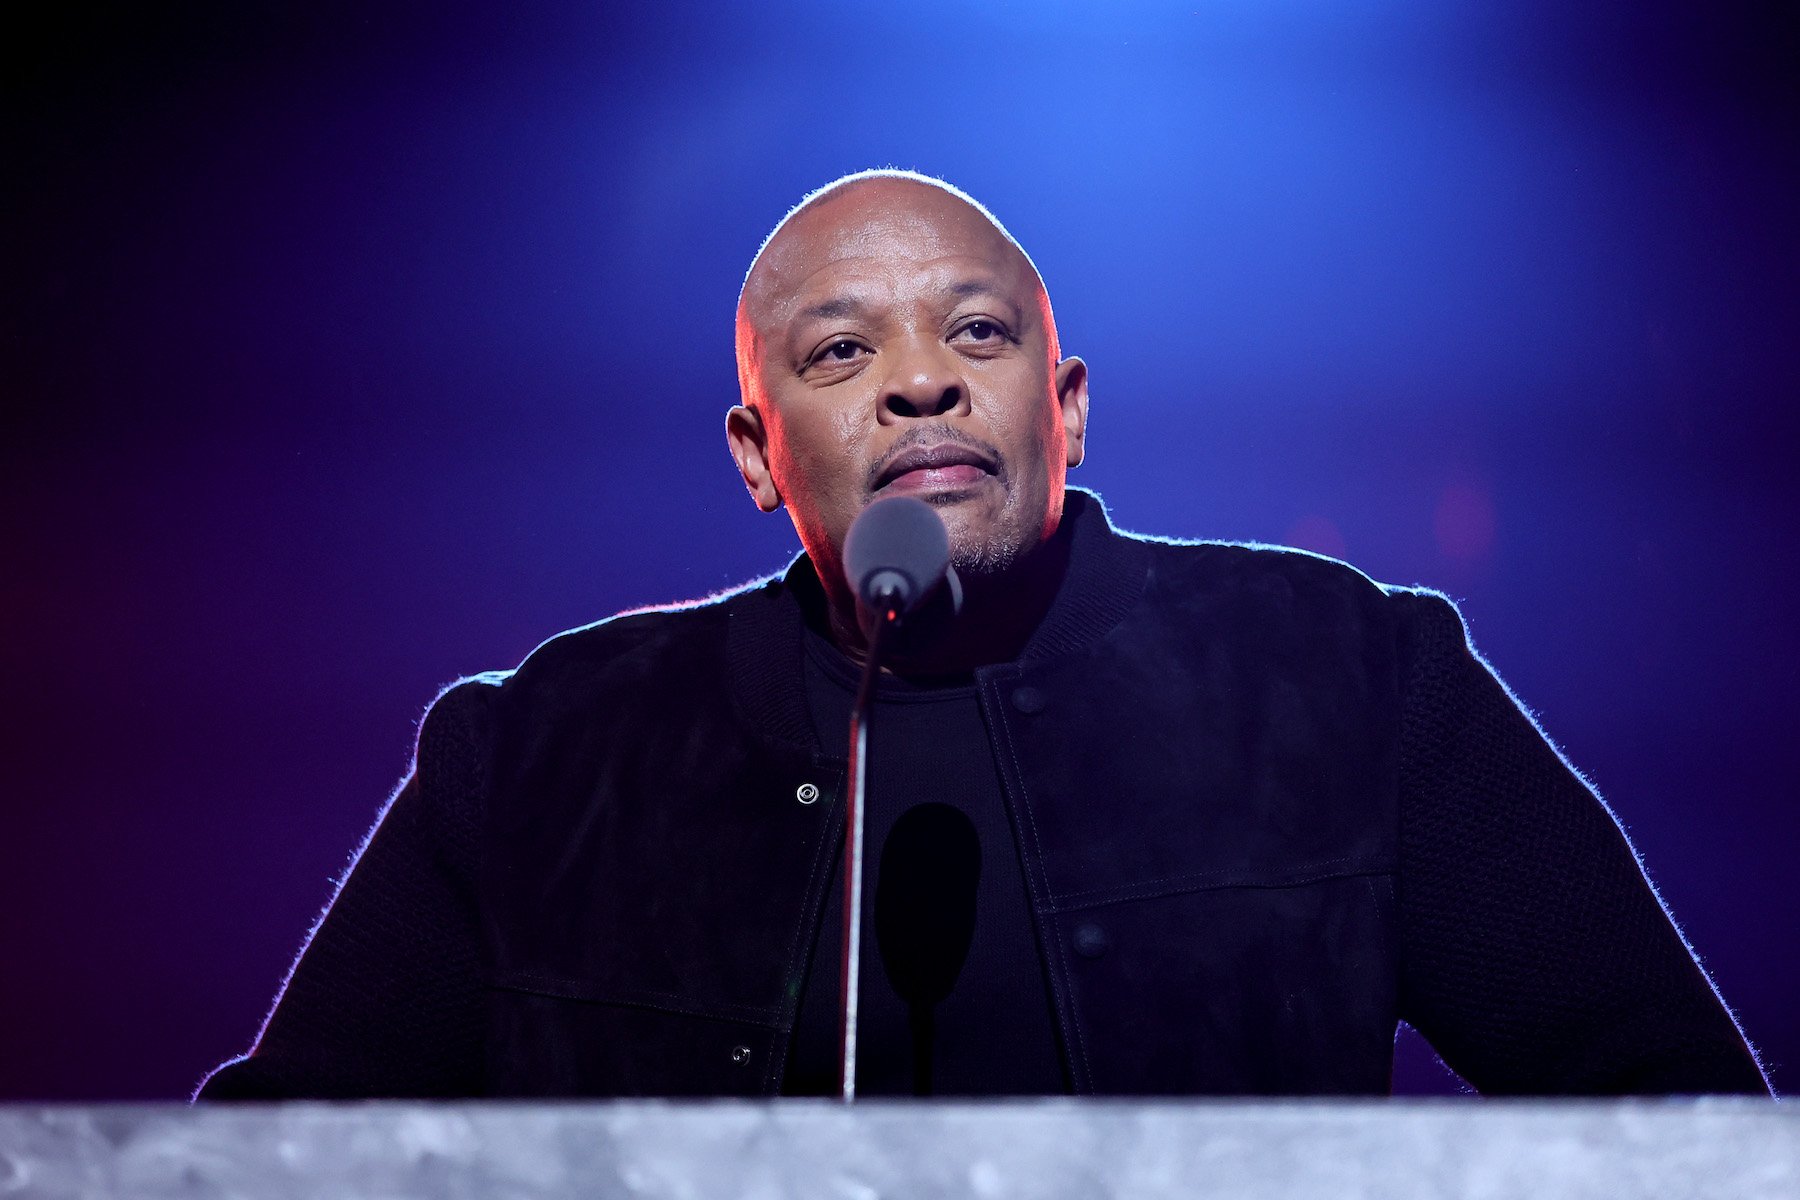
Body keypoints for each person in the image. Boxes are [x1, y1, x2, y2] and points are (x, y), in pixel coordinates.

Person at [197, 170, 1770, 1100]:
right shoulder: (543, 754)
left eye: (976, 330)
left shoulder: (1352, 676)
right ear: (755, 454)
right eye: (839, 352)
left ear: (1063, 408)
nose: (919, 380)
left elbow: (1679, 1125)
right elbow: (263, 1171)